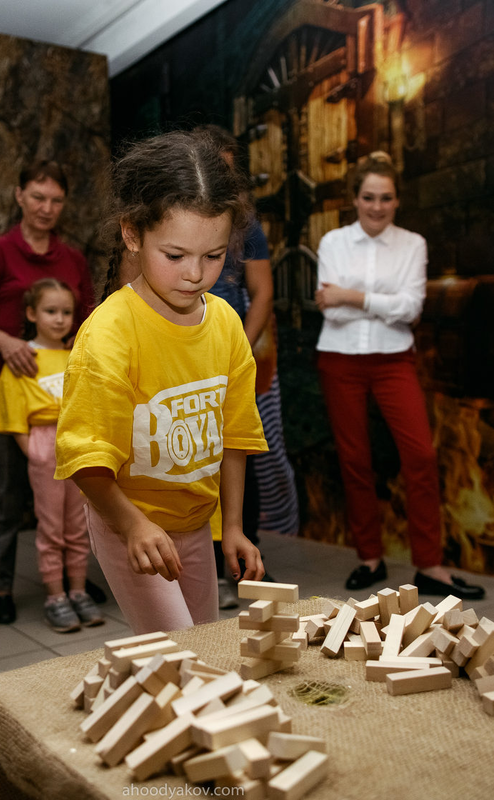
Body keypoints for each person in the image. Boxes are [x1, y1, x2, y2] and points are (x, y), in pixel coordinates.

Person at [55, 131, 268, 635]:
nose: (195, 274)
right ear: (133, 234)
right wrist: (131, 525)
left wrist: (231, 527)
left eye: (214, 256)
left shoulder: (226, 324)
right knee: (178, 657)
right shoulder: (109, 335)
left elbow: (235, 438)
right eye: (175, 256)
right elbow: (85, 459)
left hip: (196, 526)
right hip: (131, 523)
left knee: (206, 648)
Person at [315, 153, 484, 600]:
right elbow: (329, 303)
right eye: (368, 197)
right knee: (355, 460)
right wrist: (379, 301)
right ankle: (369, 559)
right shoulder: (332, 241)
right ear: (355, 199)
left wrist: (351, 296)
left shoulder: (413, 244)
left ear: (397, 200)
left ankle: (430, 565)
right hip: (340, 359)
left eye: (385, 198)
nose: (376, 206)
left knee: (421, 458)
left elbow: (410, 310)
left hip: (394, 360)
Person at [0, 160, 98, 625]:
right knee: (4, 494)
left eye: (57, 200)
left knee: (71, 498)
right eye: (38, 197)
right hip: (5, 388)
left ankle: (70, 581)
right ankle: (1, 585)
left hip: (61, 396)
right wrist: (8, 343)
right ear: (19, 195)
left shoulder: (73, 260)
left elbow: (88, 321)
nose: (47, 208)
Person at [194, 125, 301, 609]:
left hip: (234, 353)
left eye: (230, 170)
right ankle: (204, 563)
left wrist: (238, 348)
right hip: (185, 357)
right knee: (195, 459)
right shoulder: (176, 219)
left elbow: (262, 294)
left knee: (240, 455)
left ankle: (242, 561)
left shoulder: (247, 226)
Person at [0, 278, 104, 633]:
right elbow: (12, 412)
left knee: (78, 525)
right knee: (51, 528)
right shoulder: (23, 359)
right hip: (44, 447)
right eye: (51, 311)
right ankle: (55, 596)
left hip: (78, 445)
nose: (59, 319)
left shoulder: (76, 355)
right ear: (31, 314)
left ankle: (80, 591)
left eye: (66, 312)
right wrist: (35, 453)